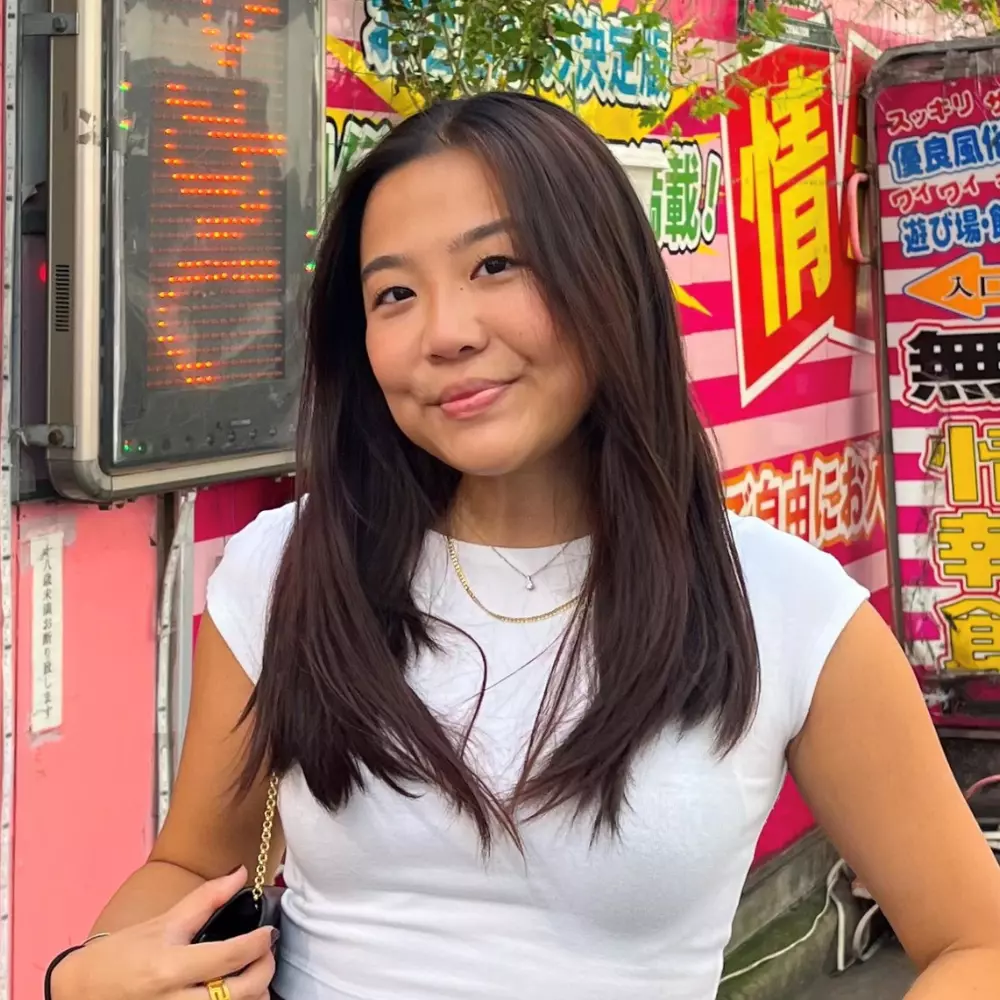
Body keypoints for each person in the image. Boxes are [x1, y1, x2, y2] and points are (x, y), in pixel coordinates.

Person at [50, 92, 1000, 1000]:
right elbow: (191, 864)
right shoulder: (287, 569)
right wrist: (95, 969)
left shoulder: (786, 609)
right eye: (392, 295)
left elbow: (974, 940)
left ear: (607, 279)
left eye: (495, 266)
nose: (446, 333)